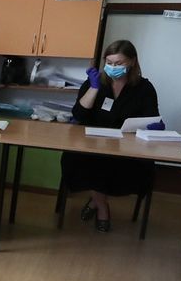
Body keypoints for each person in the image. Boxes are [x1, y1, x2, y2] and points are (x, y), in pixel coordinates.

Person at [62, 39, 159, 232]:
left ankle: (95, 201)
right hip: (91, 142)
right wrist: (94, 88)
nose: (113, 67)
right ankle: (102, 207)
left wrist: (154, 125)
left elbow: (151, 117)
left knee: (128, 167)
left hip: (126, 145)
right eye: (109, 62)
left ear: (132, 61)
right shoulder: (95, 82)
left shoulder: (144, 88)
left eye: (119, 63)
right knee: (79, 160)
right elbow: (79, 115)